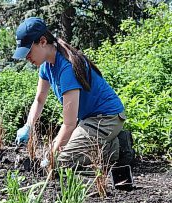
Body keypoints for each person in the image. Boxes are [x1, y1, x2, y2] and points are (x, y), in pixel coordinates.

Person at [13, 17, 134, 167]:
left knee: (61, 162)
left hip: (106, 119)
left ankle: (118, 147)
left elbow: (69, 124)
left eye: (28, 51)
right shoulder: (46, 67)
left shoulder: (66, 68)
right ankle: (108, 143)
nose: (26, 57)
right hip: (88, 121)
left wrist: (51, 156)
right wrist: (28, 126)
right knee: (55, 152)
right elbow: (39, 100)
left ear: (43, 42)